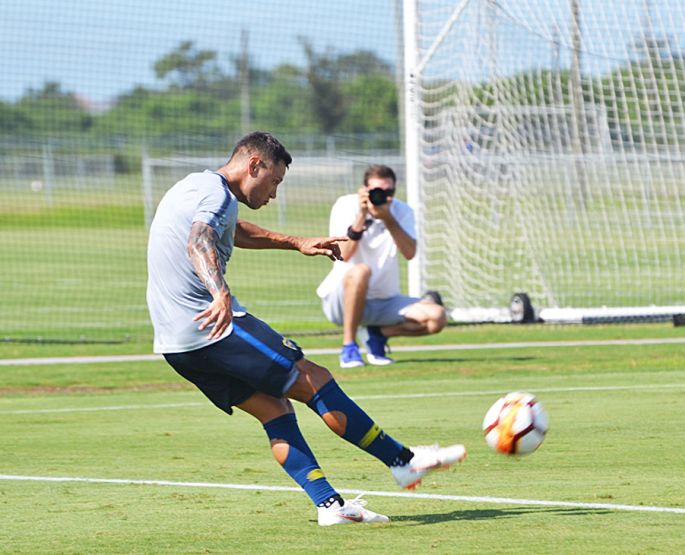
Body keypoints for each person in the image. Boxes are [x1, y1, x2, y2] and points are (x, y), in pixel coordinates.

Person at [146, 132, 465, 526]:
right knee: (312, 378)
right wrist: (220, 292)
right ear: (254, 166)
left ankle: (330, 506)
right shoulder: (218, 196)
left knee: (274, 409)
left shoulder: (195, 186)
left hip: (175, 343)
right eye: (275, 181)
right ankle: (403, 461)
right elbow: (201, 239)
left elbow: (233, 230)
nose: (274, 193)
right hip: (210, 325)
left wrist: (297, 242)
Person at [316, 165, 447, 368]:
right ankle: (349, 347)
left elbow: (410, 253)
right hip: (341, 300)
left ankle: (376, 334)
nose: (383, 196)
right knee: (361, 271)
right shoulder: (346, 205)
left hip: (384, 300)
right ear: (364, 189)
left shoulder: (401, 211)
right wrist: (361, 216)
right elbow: (343, 254)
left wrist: (387, 218)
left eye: (389, 191)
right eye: (377, 191)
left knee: (436, 317)